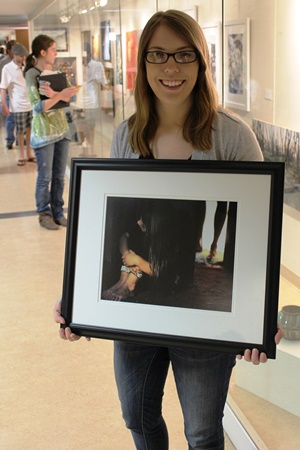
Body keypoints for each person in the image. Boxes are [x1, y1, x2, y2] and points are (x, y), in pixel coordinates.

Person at [54, 10, 283, 449]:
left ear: (201, 62)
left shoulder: (231, 137)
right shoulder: (127, 135)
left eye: (183, 55)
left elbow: (257, 234)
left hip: (195, 309)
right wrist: (78, 293)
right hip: (136, 305)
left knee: (201, 430)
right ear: (144, 64)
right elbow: (108, 221)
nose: (171, 67)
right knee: (136, 417)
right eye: (158, 55)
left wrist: (259, 313)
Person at [24, 34, 79, 230]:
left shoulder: (53, 72)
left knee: (58, 176)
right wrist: (60, 95)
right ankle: (44, 213)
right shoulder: (32, 74)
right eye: (54, 50)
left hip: (61, 130)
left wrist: (61, 95)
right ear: (42, 52)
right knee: (45, 176)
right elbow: (38, 107)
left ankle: (58, 212)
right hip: (44, 133)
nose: (56, 53)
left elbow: (62, 102)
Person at [0, 44, 35, 166]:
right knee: (20, 131)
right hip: (17, 105)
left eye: (24, 56)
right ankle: (22, 155)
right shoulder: (7, 68)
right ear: (14, 55)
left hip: (29, 103)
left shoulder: (26, 67)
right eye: (21, 56)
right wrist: (4, 104)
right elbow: (3, 88)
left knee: (30, 128)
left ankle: (29, 153)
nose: (23, 58)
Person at [74, 44, 107, 156]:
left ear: (89, 54)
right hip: (79, 101)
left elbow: (103, 82)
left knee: (91, 127)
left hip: (91, 101)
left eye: (85, 55)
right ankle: (84, 149)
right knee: (80, 126)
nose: (84, 58)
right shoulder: (76, 64)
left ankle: (92, 150)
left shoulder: (97, 65)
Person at [0, 39, 17, 149]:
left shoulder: (21, 60)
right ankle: (10, 140)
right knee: (10, 118)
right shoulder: (3, 63)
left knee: (21, 117)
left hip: (19, 93)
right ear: (9, 50)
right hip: (8, 93)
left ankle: (22, 138)